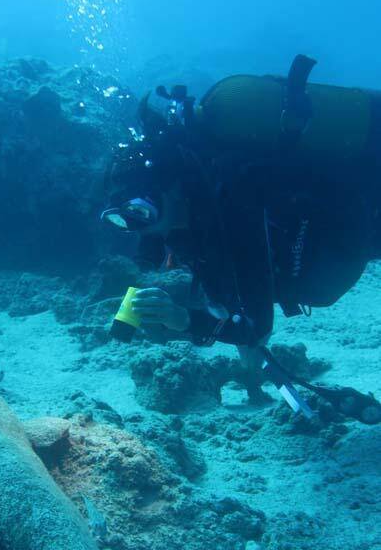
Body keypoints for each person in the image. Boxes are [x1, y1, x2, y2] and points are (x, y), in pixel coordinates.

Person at [100, 55, 381, 418]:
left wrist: (182, 318)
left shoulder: (233, 200)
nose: (143, 232)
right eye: (124, 221)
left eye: (141, 213)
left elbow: (254, 327)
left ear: (168, 188)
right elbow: (241, 312)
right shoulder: (200, 201)